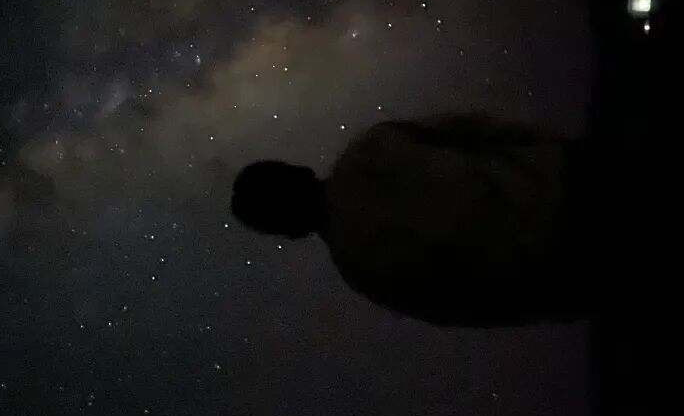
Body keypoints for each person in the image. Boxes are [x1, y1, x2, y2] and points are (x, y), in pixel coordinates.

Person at [230, 112, 600, 327]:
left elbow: (467, 307)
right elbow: (480, 129)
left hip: (561, 263)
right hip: (567, 176)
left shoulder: (360, 268)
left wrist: (566, 300)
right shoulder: (371, 148)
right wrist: (558, 151)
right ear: (299, 170)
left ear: (288, 231)